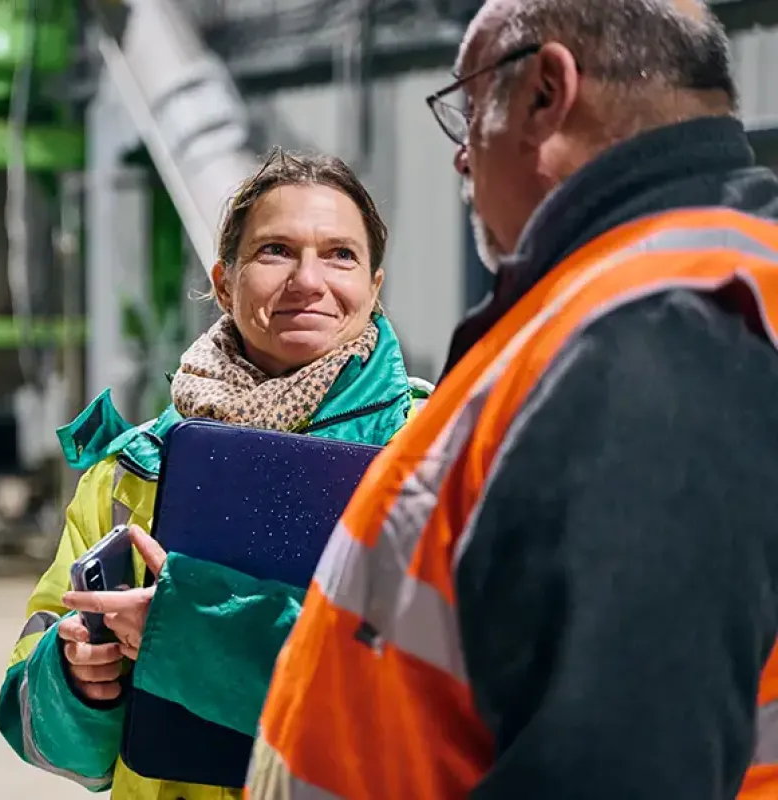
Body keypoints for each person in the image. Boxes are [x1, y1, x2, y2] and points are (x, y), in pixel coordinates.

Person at [249, 1, 778, 799]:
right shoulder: (646, 300)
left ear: (543, 94)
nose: (462, 159)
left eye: (468, 112)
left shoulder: (658, 340)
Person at [0, 147, 431, 799]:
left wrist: (188, 630)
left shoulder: (437, 451)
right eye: (275, 252)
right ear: (225, 283)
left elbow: (438, 693)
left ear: (374, 286)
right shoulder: (131, 471)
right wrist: (76, 680)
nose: (308, 281)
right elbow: (46, 734)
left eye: (339, 254)